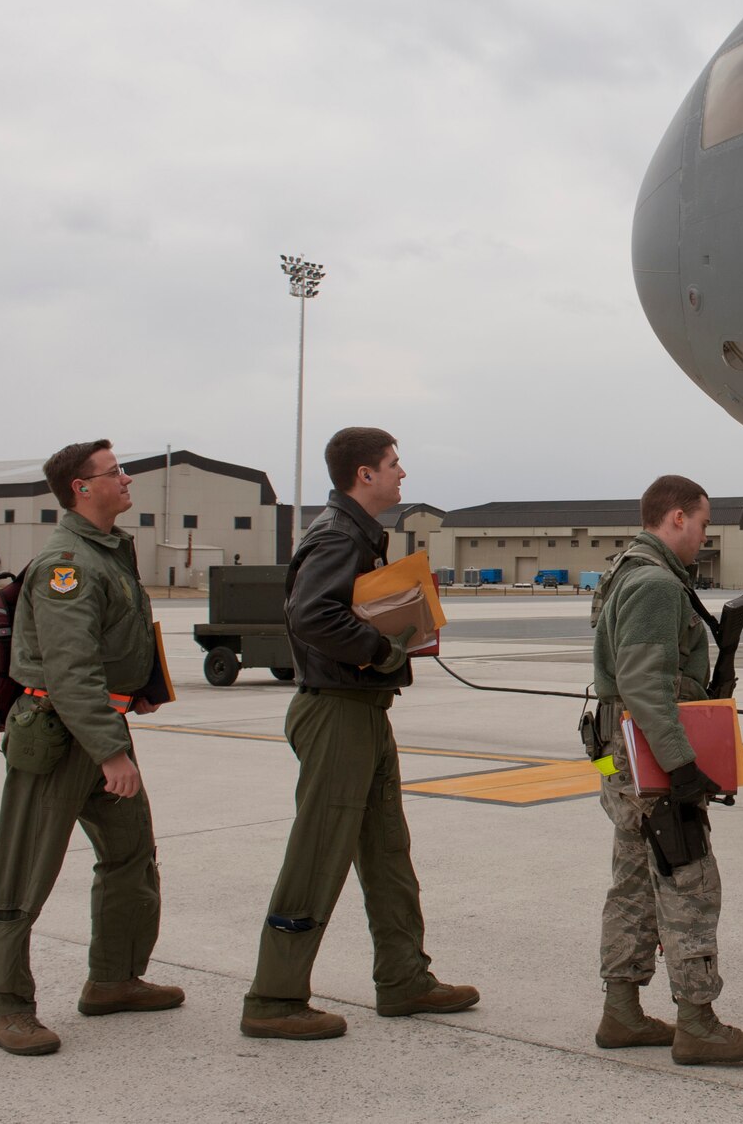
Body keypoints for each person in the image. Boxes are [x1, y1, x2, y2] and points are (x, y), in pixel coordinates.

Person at [240, 428, 477, 1039]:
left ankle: (404, 979)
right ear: (364, 474)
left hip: (362, 709)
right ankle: (274, 997)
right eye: (394, 465)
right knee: (319, 852)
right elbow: (310, 613)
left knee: (386, 850)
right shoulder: (338, 534)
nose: (403, 474)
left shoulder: (358, 534)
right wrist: (378, 650)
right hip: (337, 711)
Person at [0, 440, 181, 1055]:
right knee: (24, 871)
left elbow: (113, 643)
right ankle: (5, 1006)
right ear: (80, 488)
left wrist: (138, 692)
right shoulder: (68, 563)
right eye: (114, 471)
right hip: (59, 735)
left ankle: (114, 980)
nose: (126, 479)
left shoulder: (108, 552)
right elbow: (69, 671)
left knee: (131, 858)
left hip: (102, 728)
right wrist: (110, 751)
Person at [589, 475, 743, 1065]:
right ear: (674, 518)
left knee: (636, 882)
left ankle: (621, 1012)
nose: (703, 535)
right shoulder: (653, 584)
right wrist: (682, 764)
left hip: (628, 753)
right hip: (652, 757)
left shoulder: (630, 573)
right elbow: (644, 684)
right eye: (702, 522)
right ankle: (698, 1022)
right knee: (689, 880)